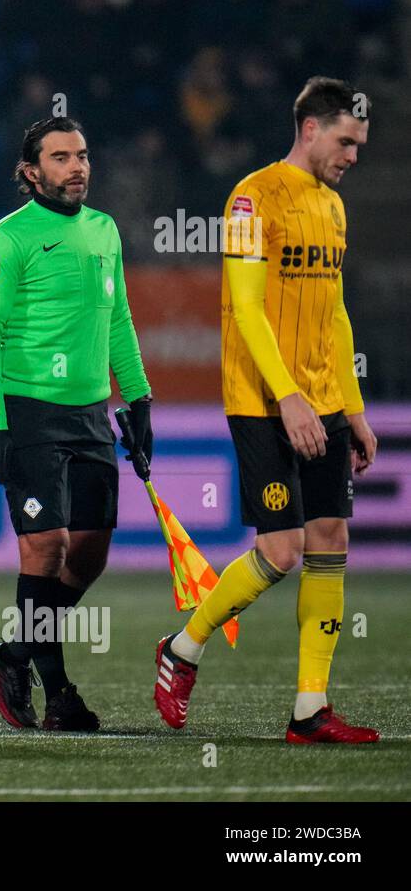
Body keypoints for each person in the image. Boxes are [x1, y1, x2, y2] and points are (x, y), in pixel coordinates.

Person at [154, 77, 379, 744]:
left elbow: (335, 313)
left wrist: (354, 410)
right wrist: (288, 398)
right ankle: (182, 649)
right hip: (263, 402)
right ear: (310, 128)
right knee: (280, 552)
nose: (354, 156)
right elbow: (246, 308)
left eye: (361, 145)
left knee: (330, 542)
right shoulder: (253, 198)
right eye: (347, 141)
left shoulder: (333, 207)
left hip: (325, 402)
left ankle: (310, 710)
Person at [0, 117, 152, 731]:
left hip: (92, 413)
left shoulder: (104, 230)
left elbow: (119, 320)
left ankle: (11, 655)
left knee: (91, 555)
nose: (77, 166)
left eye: (82, 154)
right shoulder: (7, 240)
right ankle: (61, 694)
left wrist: (141, 401)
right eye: (61, 157)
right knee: (47, 549)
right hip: (29, 412)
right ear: (31, 172)